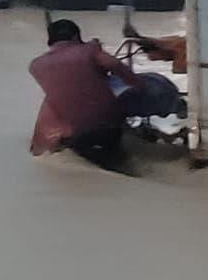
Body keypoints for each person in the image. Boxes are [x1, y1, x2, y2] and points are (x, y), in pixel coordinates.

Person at [29, 19, 143, 169]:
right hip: (107, 123)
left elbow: (69, 87)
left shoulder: (36, 65)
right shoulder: (90, 50)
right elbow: (113, 64)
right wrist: (138, 84)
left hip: (73, 133)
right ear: (76, 36)